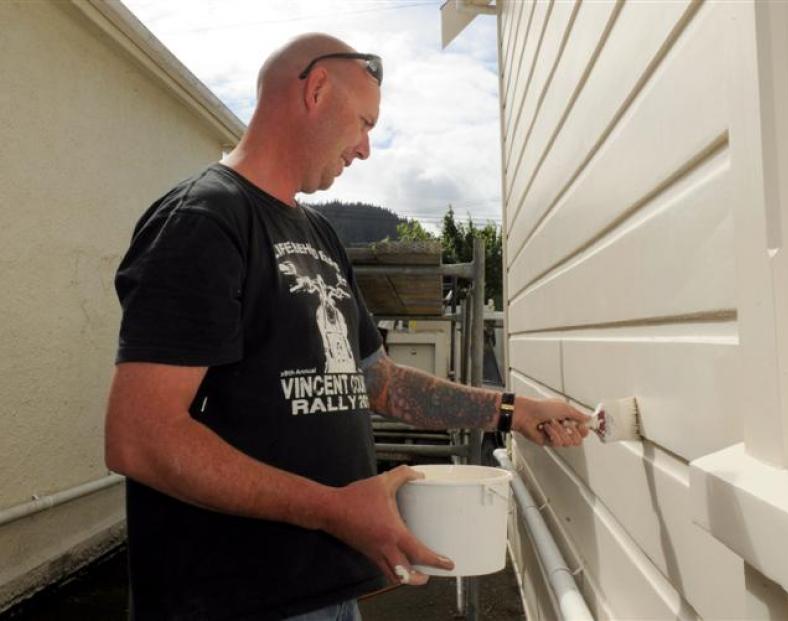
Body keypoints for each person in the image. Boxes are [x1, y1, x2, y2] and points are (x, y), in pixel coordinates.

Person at [104, 33, 589, 621]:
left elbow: (378, 381)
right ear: (314, 89)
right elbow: (140, 437)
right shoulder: (203, 221)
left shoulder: (320, 234)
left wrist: (511, 411)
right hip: (228, 601)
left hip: (326, 589)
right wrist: (332, 508)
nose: (364, 149)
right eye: (363, 123)